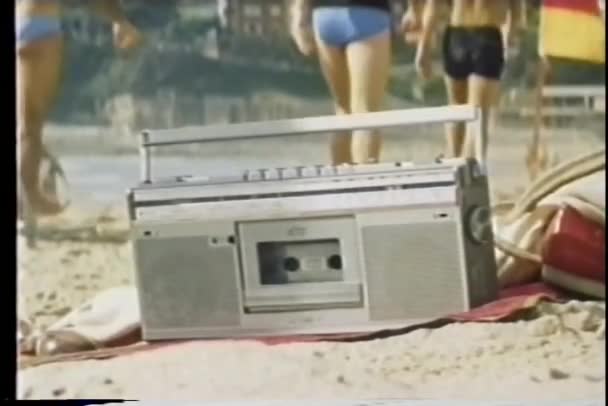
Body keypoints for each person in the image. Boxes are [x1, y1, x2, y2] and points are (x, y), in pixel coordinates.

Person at [16, 0, 143, 216]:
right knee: (31, 125)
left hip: (21, 20)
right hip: (39, 27)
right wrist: (119, 21)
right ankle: (31, 197)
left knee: (25, 122)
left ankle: (27, 194)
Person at [409, 0, 524, 166]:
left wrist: (424, 47)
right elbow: (516, 9)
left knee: (458, 108)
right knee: (477, 114)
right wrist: (510, 36)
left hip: (457, 33)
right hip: (487, 34)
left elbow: (434, 4)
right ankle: (466, 172)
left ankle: (454, 166)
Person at [290, 0, 395, 165]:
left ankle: (339, 185)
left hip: (325, 14)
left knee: (342, 111)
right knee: (365, 115)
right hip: (367, 13)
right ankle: (364, 185)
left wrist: (299, 16)